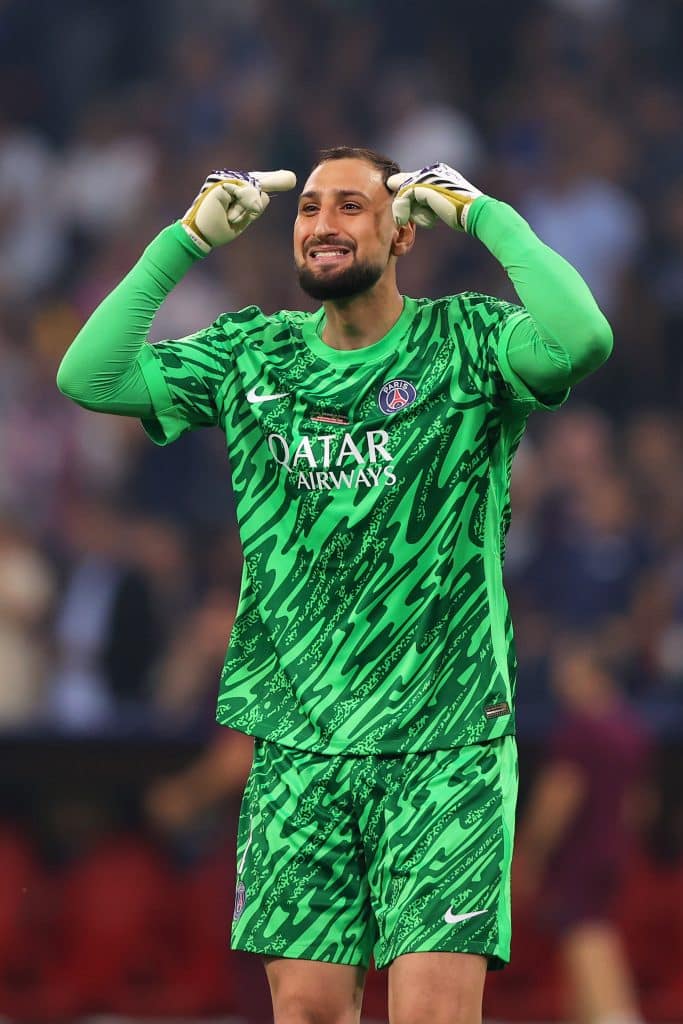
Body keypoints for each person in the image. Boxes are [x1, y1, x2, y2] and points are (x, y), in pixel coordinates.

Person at [57, 147, 613, 1024]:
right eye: (309, 208)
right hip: (296, 745)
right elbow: (87, 376)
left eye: (351, 207)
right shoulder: (254, 354)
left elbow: (583, 339)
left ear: (401, 233)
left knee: (430, 1016)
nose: (322, 225)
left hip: (446, 743)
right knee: (309, 1012)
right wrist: (186, 239)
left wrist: (481, 213)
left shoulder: (467, 341)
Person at [514, 635, 651, 1024]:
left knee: (584, 934)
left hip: (579, 855)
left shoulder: (580, 732)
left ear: (593, 674)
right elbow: (637, 804)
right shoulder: (630, 728)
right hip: (614, 850)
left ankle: (615, 1015)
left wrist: (528, 855)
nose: (562, 681)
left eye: (570, 671)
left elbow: (557, 800)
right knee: (595, 931)